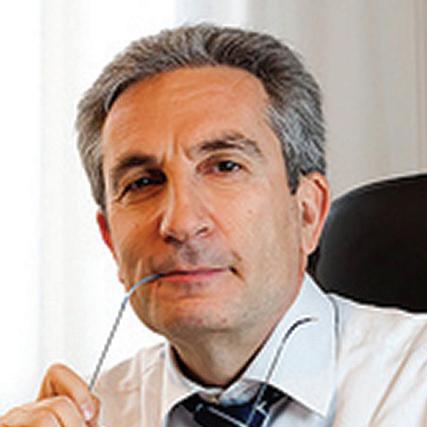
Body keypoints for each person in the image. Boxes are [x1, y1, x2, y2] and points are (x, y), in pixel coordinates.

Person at [1, 24, 426, 427]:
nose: (181, 223)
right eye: (143, 182)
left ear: (307, 213)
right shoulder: (87, 414)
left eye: (225, 166)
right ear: (111, 240)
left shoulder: (415, 384)